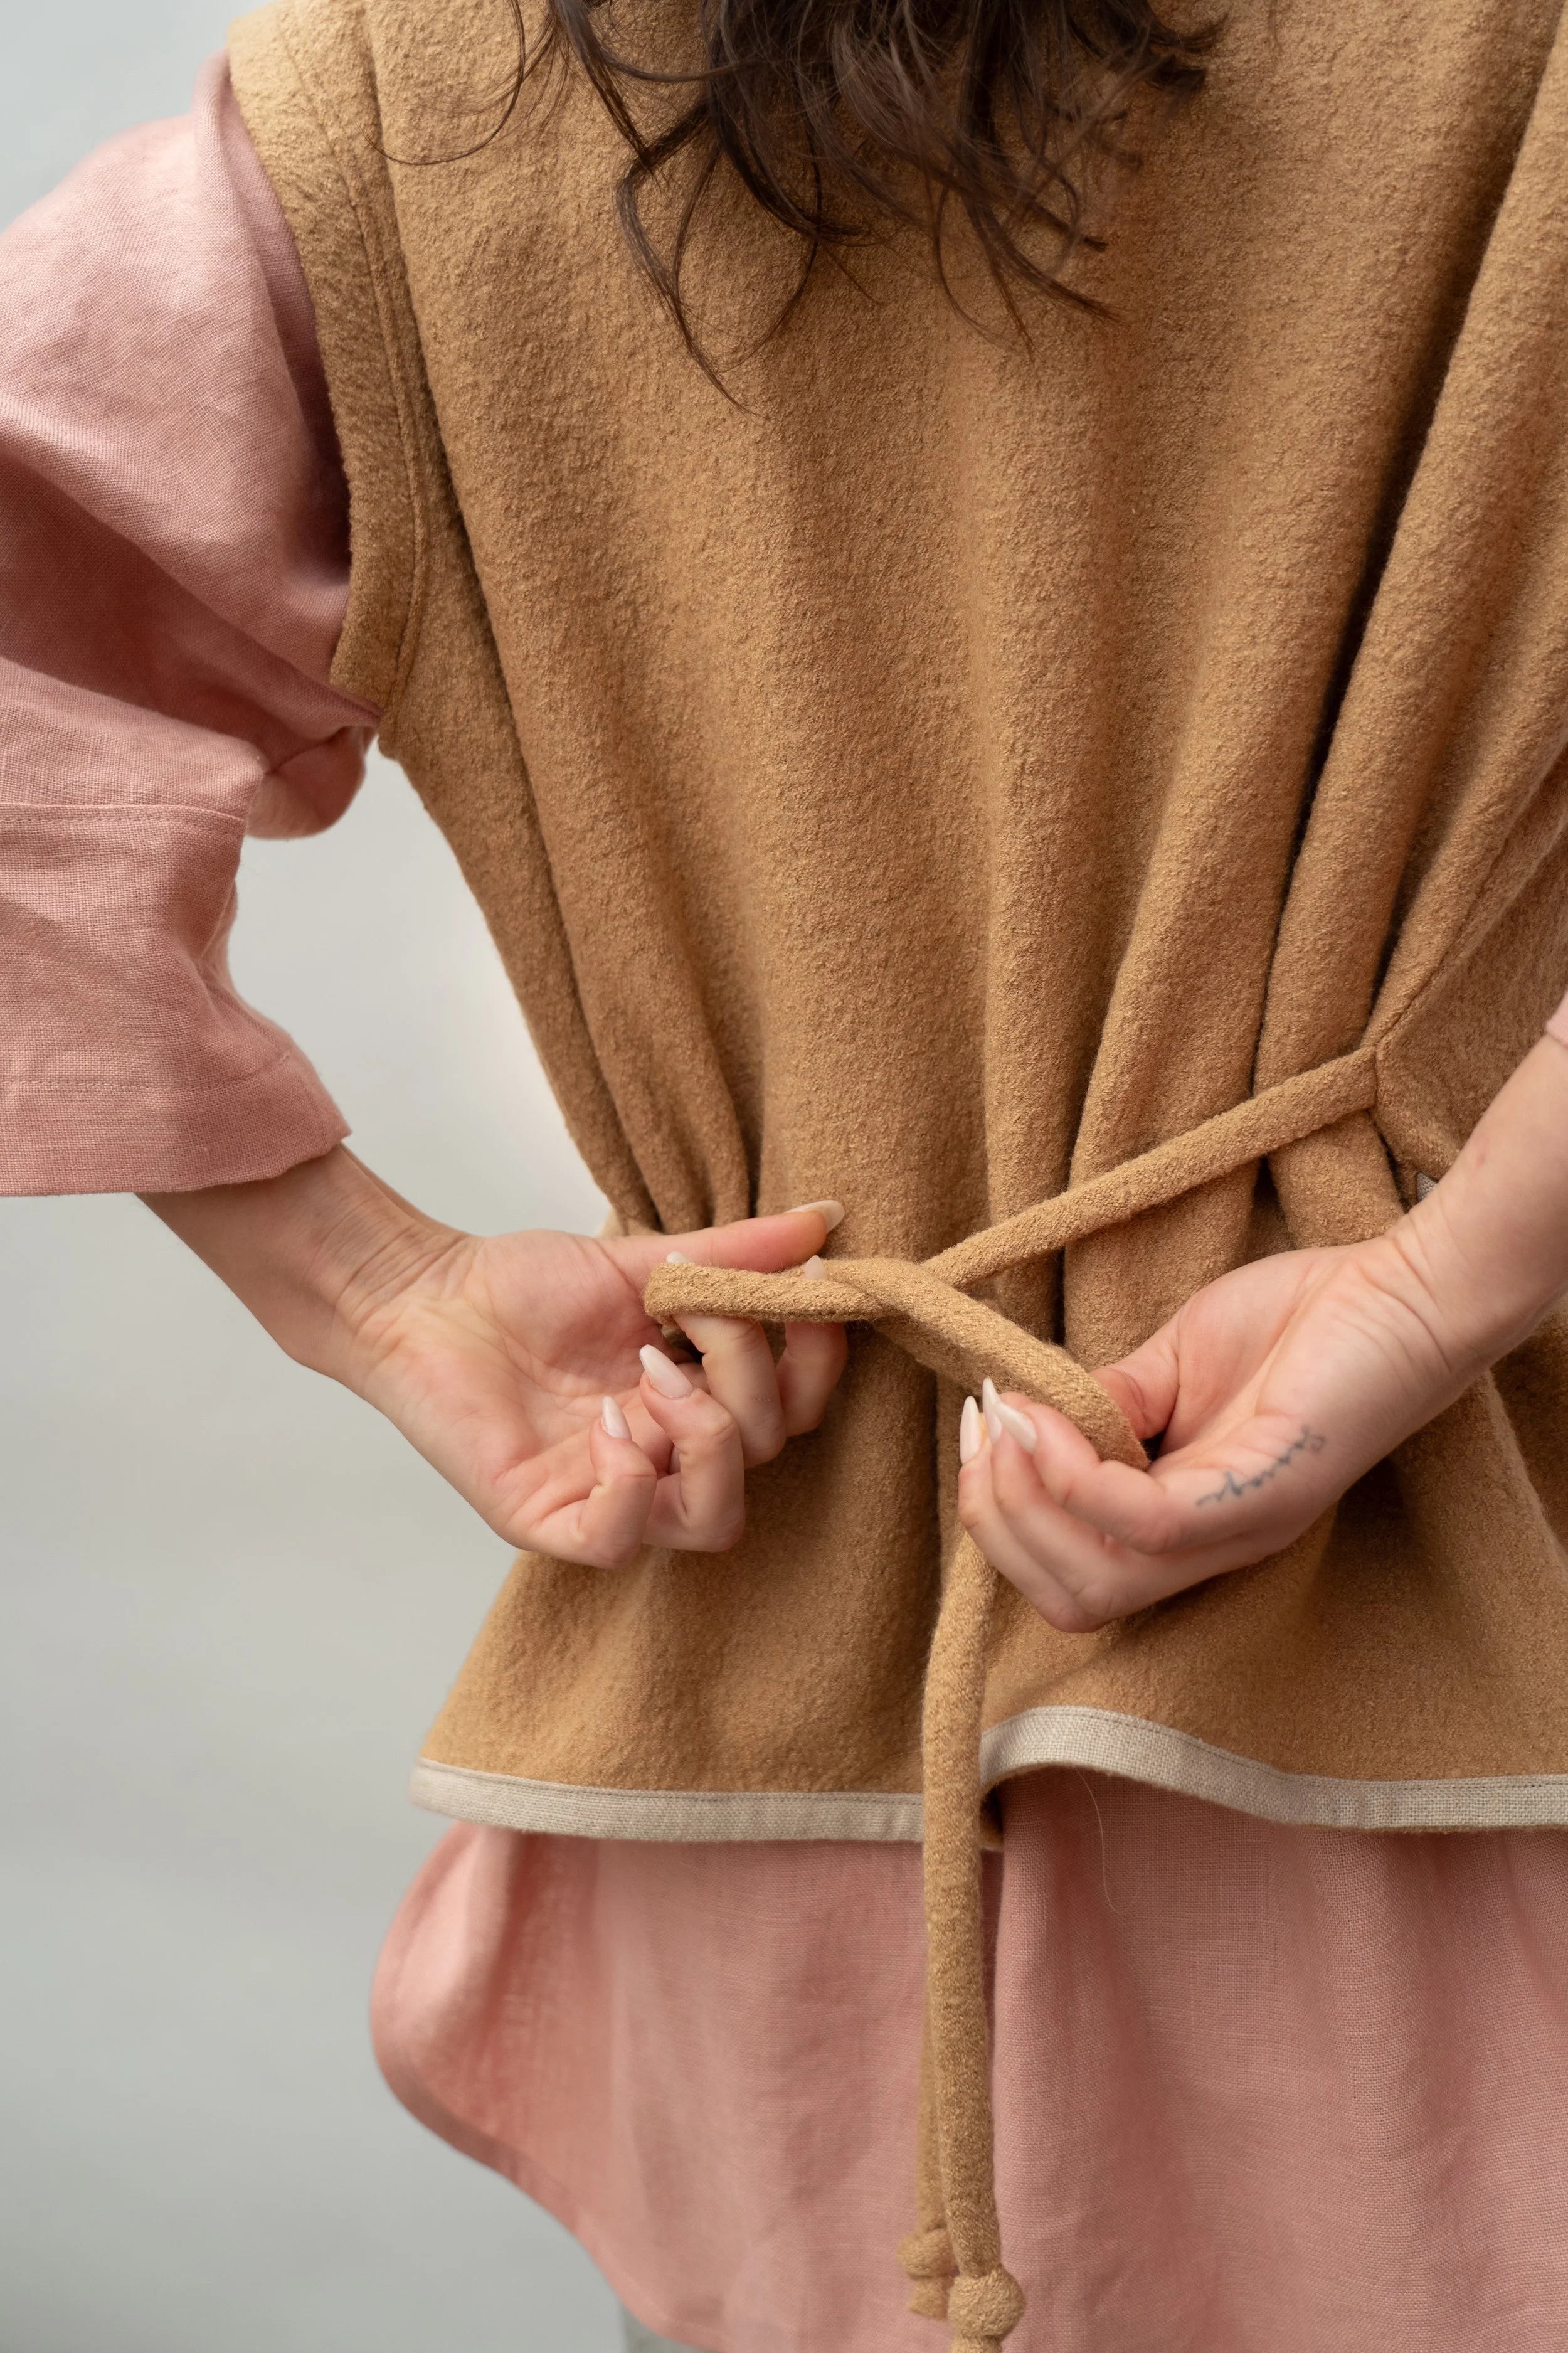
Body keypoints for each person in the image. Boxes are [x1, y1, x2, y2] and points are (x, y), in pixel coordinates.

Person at [8, 0, 1568, 2344]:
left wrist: (379, 1290)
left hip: (786, 1768)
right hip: (1468, 1693)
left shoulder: (389, 117)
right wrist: (1436, 1281)